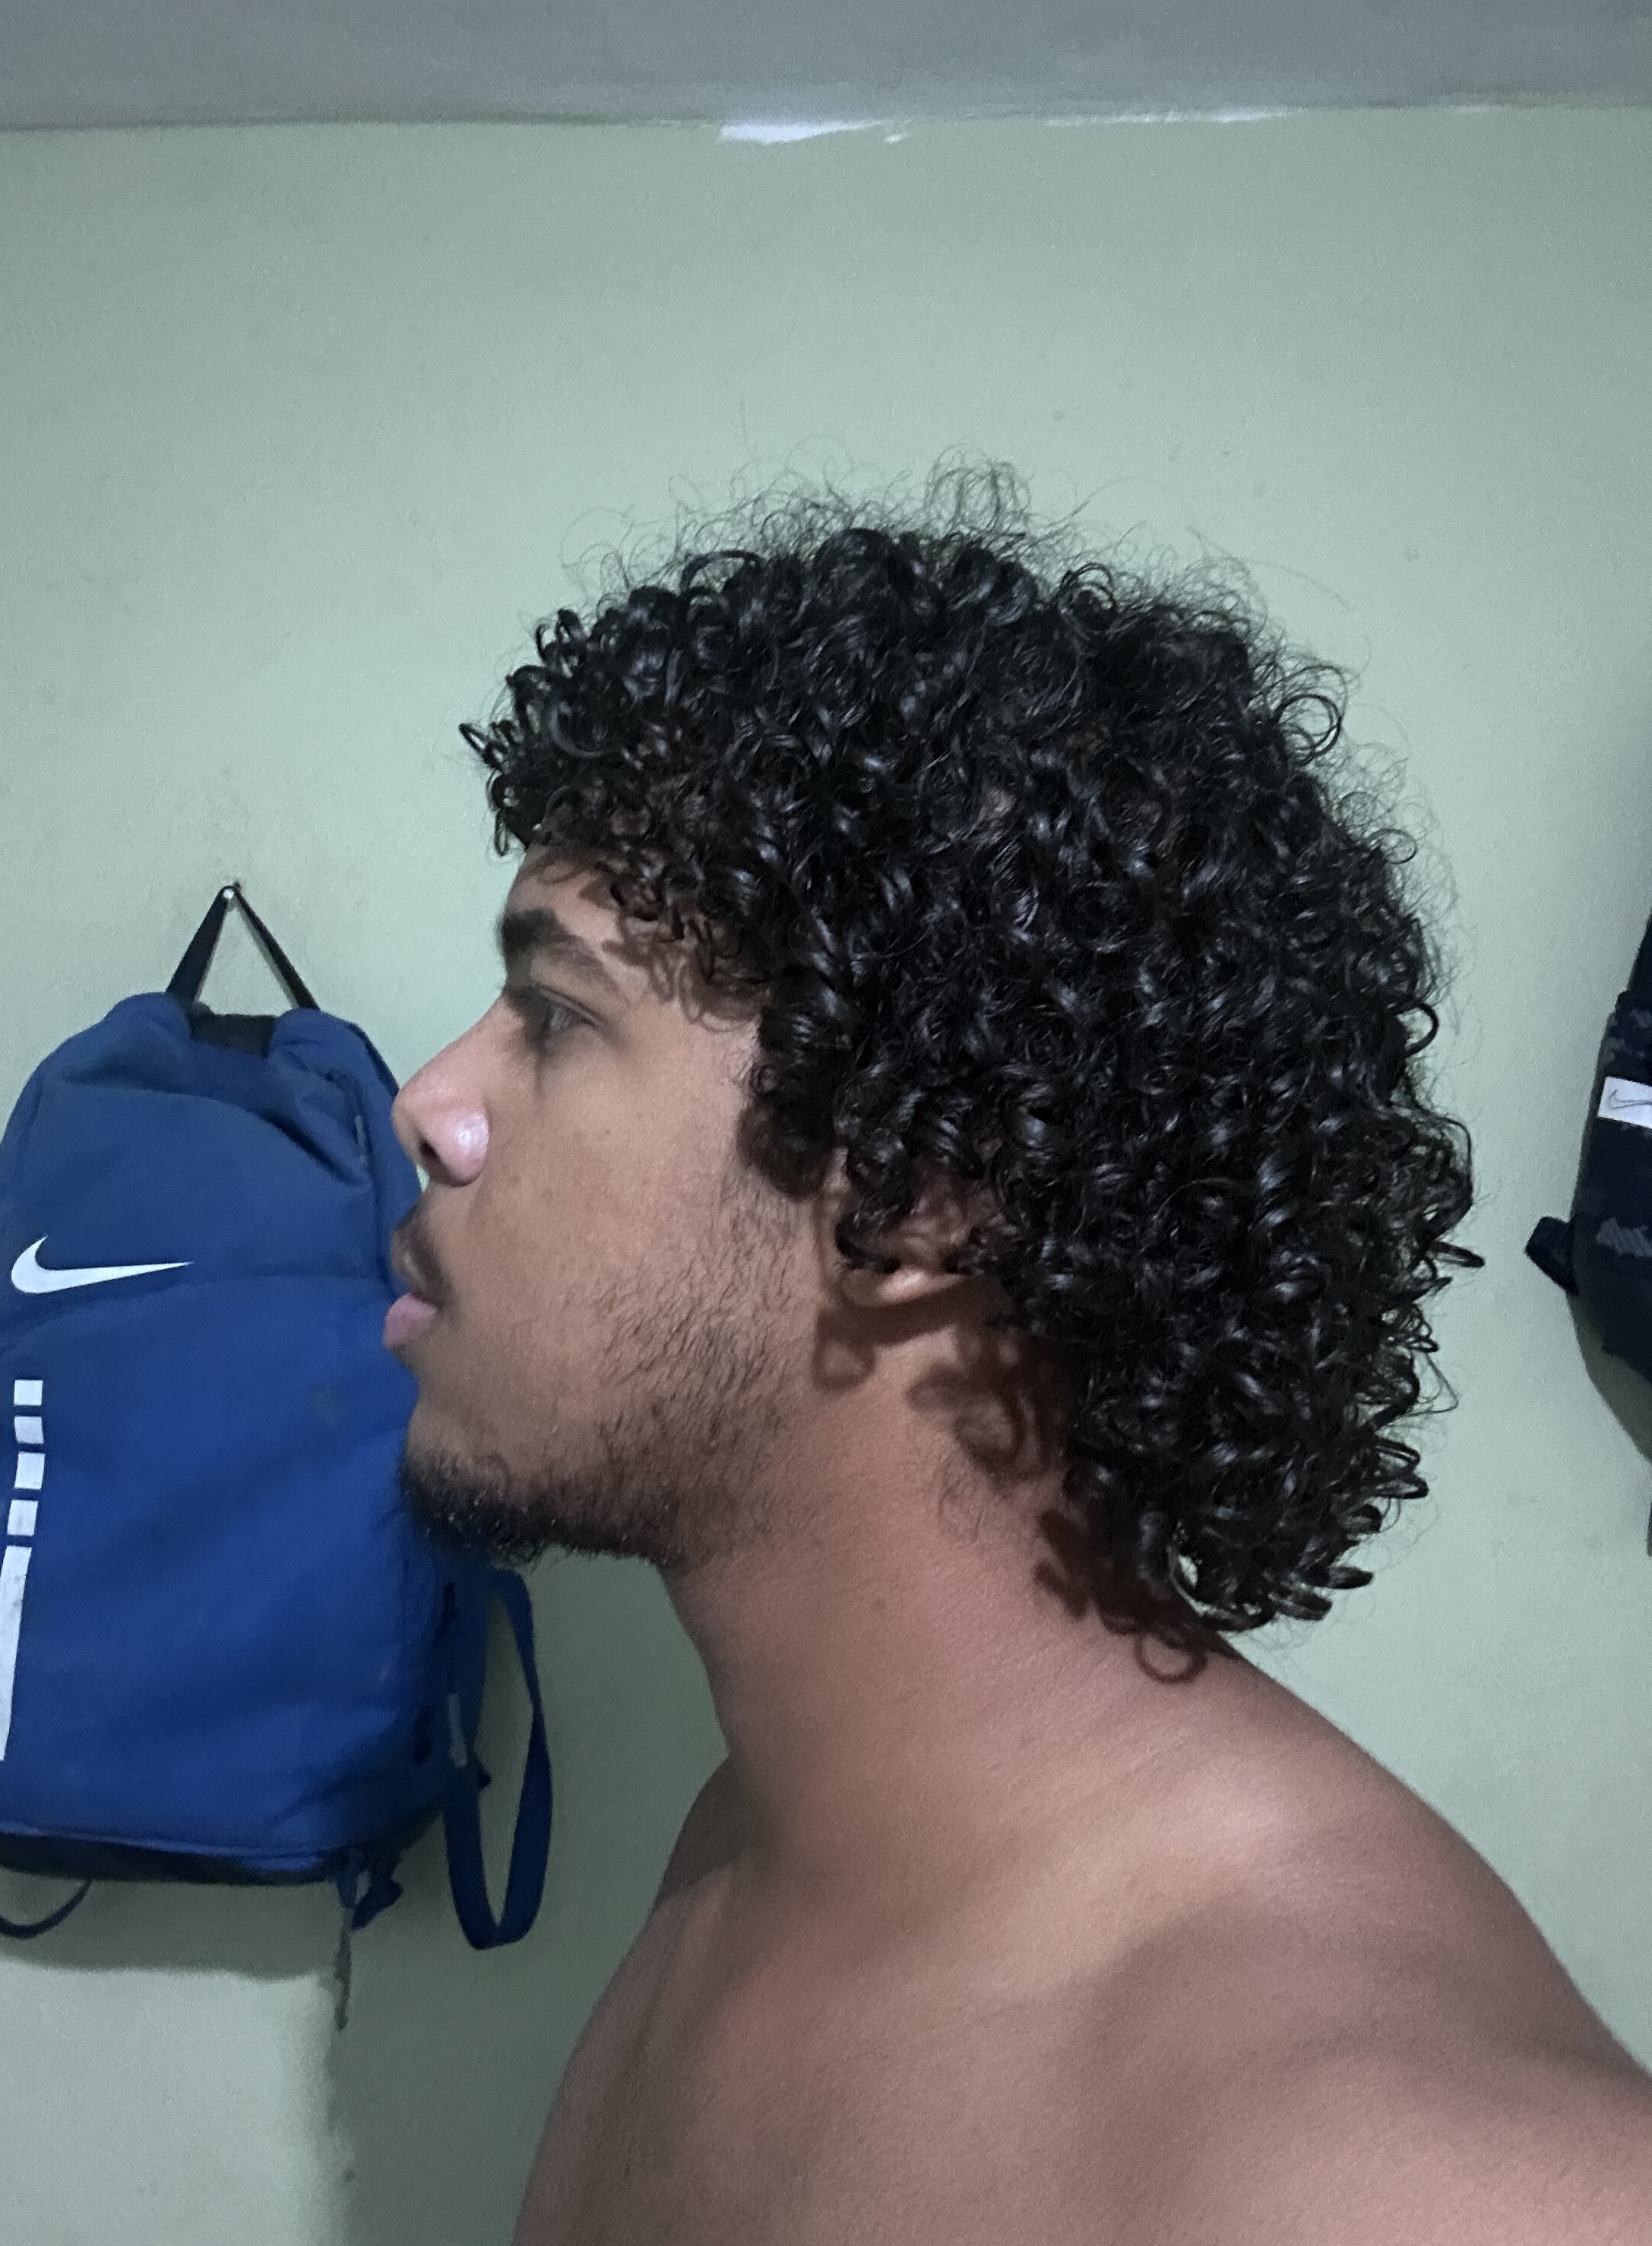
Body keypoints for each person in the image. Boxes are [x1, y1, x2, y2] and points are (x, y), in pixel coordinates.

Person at [382, 470, 1652, 2243]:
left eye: (554, 1013)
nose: (428, 1102)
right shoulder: (753, 1845)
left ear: (926, 1183)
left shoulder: (1411, 2174)